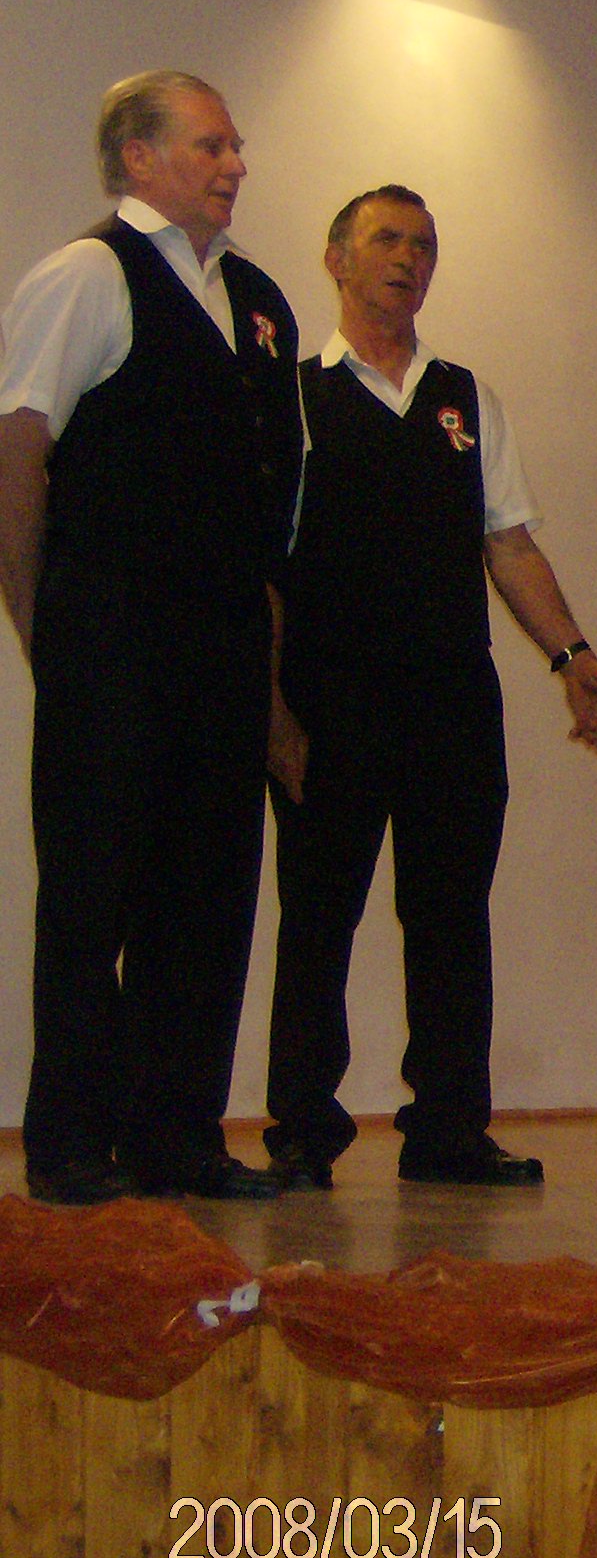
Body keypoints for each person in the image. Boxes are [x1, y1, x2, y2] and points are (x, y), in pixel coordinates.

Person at [259, 187, 597, 1189]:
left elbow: (511, 544)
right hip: (328, 706)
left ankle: (449, 1129)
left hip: (452, 706)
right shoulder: (294, 397)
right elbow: (263, 568)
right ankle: (302, 1131)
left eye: (423, 244)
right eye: (386, 239)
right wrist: (272, 712)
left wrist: (574, 657)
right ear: (337, 258)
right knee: (318, 917)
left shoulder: (466, 398)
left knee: (452, 917)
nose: (407, 258)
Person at [0, 71, 302, 1203]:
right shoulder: (86, 275)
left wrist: (269, 679)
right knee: (94, 893)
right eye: (211, 145)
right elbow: (17, 455)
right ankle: (72, 1144)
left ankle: (177, 1136)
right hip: (111, 636)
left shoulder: (257, 299)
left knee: (209, 894)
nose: (236, 164)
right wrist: (43, 625)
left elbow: (268, 504)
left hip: (223, 646)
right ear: (138, 156)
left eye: (235, 146)